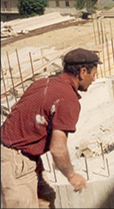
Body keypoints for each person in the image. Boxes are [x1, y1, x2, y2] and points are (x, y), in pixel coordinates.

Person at [1, 48, 101, 208]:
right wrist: (71, 175)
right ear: (82, 72)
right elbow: (57, 148)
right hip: (12, 159)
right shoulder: (68, 99)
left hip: (26, 157)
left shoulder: (43, 83)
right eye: (93, 74)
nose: (94, 79)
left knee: (46, 200)